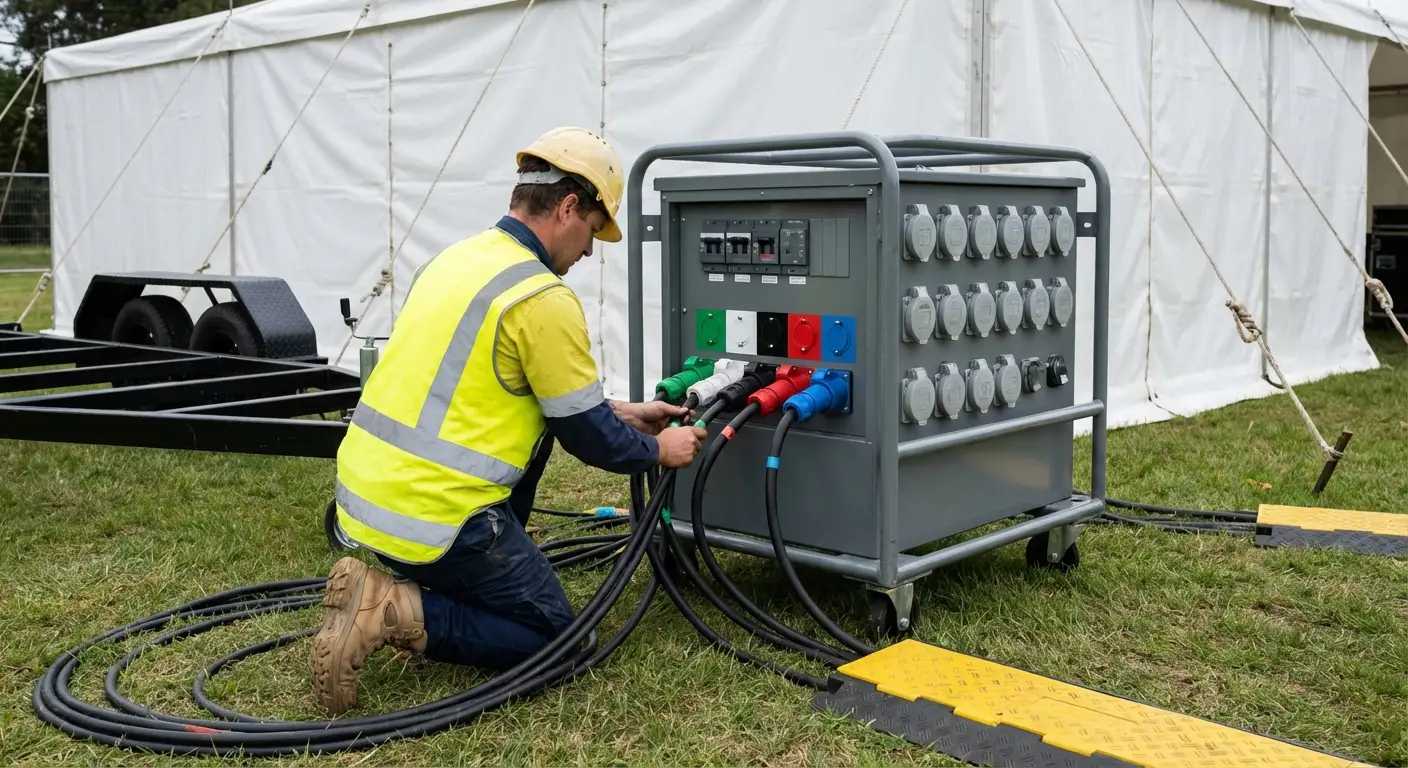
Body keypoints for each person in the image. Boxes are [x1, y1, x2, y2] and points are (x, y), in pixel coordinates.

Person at [311, 126, 707, 716]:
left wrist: (627, 412)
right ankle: (391, 607)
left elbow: (494, 393)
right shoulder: (540, 296)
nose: (591, 251)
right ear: (570, 207)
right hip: (437, 523)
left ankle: (412, 585)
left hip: (363, 504)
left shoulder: (456, 260)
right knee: (562, 642)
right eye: (595, 230)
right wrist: (660, 451)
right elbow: (586, 436)